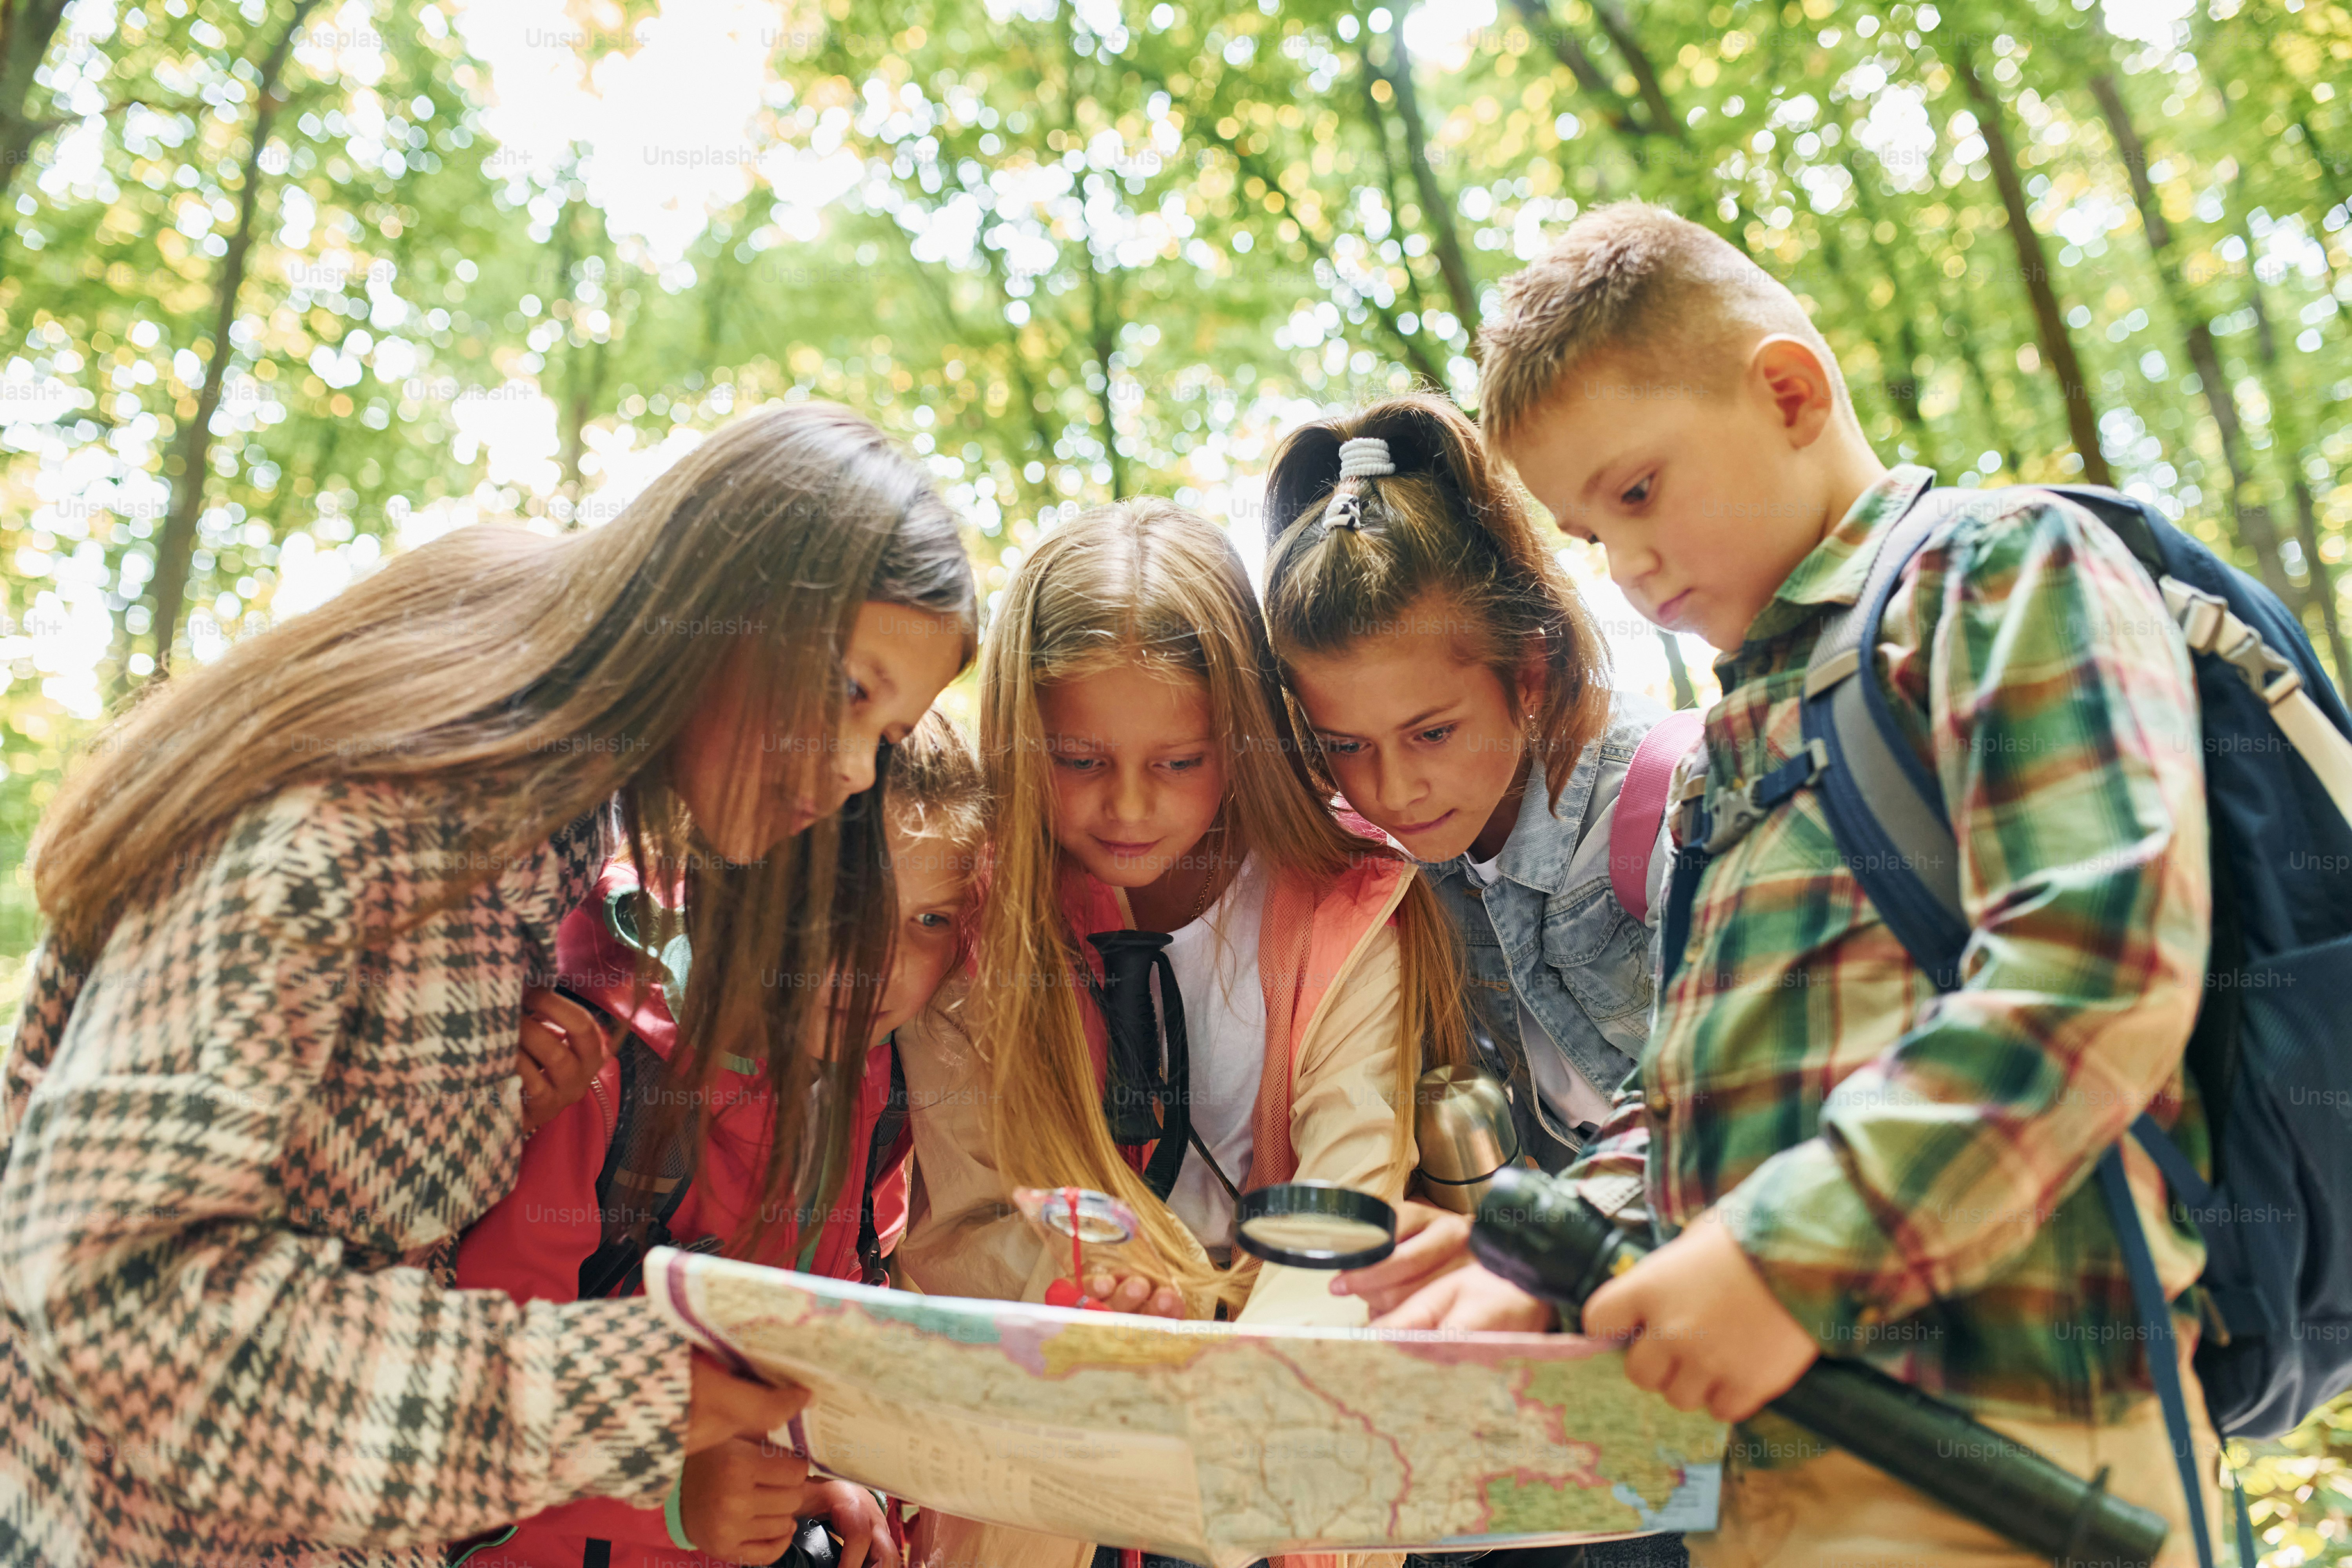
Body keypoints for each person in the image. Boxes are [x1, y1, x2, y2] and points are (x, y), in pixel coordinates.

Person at [1356, 201, 2224, 1567]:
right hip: (1765, 1489)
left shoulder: (1994, 574)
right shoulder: (1744, 737)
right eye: (1591, 537)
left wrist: (1783, 1259)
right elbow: (1713, 1094)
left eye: (1638, 492)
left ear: (1788, 390)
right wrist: (1551, 1249)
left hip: (2019, 1457)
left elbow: (2096, 969)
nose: (1631, 572)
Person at [0, 404, 976, 1566]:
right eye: (847, 689)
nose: (852, 769)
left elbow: (315, 1194)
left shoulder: (533, 833)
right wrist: (628, 1392)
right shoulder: (376, 823)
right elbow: (115, 1302)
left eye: (891, 728)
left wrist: (483, 1115)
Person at [896, 498, 1468, 1568]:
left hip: (1284, 1427)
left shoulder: (1349, 906)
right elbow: (965, 1214)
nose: (1128, 808)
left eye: (1179, 763)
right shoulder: (967, 920)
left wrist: (1243, 1384)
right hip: (1050, 1434)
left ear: (1243, 737)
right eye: (1077, 762)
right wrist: (1096, 1300)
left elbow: (1349, 1200)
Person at [1255, 396, 1687, 1568]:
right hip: (1548, 1401)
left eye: (1433, 732)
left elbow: (1747, 1114)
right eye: (1344, 744)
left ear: (1531, 670)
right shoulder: (1388, 875)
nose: (1391, 789)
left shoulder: (1681, 809)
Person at [450, 709, 988, 1568]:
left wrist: (850, 1484)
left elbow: (838, 1347)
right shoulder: (605, 1080)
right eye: (847, 907)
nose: (883, 960)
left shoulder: (876, 1094)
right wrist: (668, 1495)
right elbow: (470, 1407)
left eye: (930, 920)